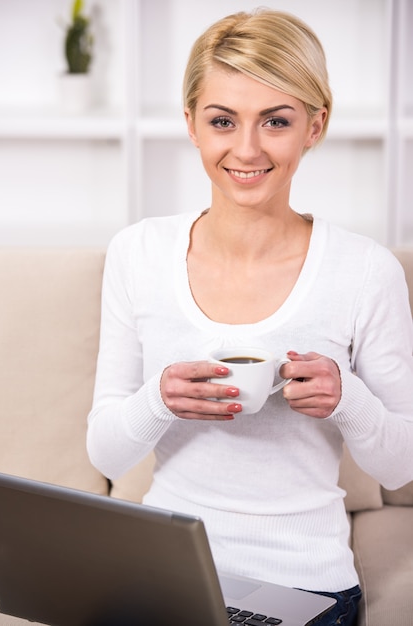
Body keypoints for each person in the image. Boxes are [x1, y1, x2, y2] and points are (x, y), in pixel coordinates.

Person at [87, 9, 413, 625]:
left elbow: (401, 466)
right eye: (222, 121)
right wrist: (159, 399)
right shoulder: (138, 253)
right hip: (165, 566)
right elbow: (106, 456)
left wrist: (348, 398)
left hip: (302, 583)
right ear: (191, 125)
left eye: (276, 121)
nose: (247, 149)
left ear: (316, 125)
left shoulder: (365, 271)